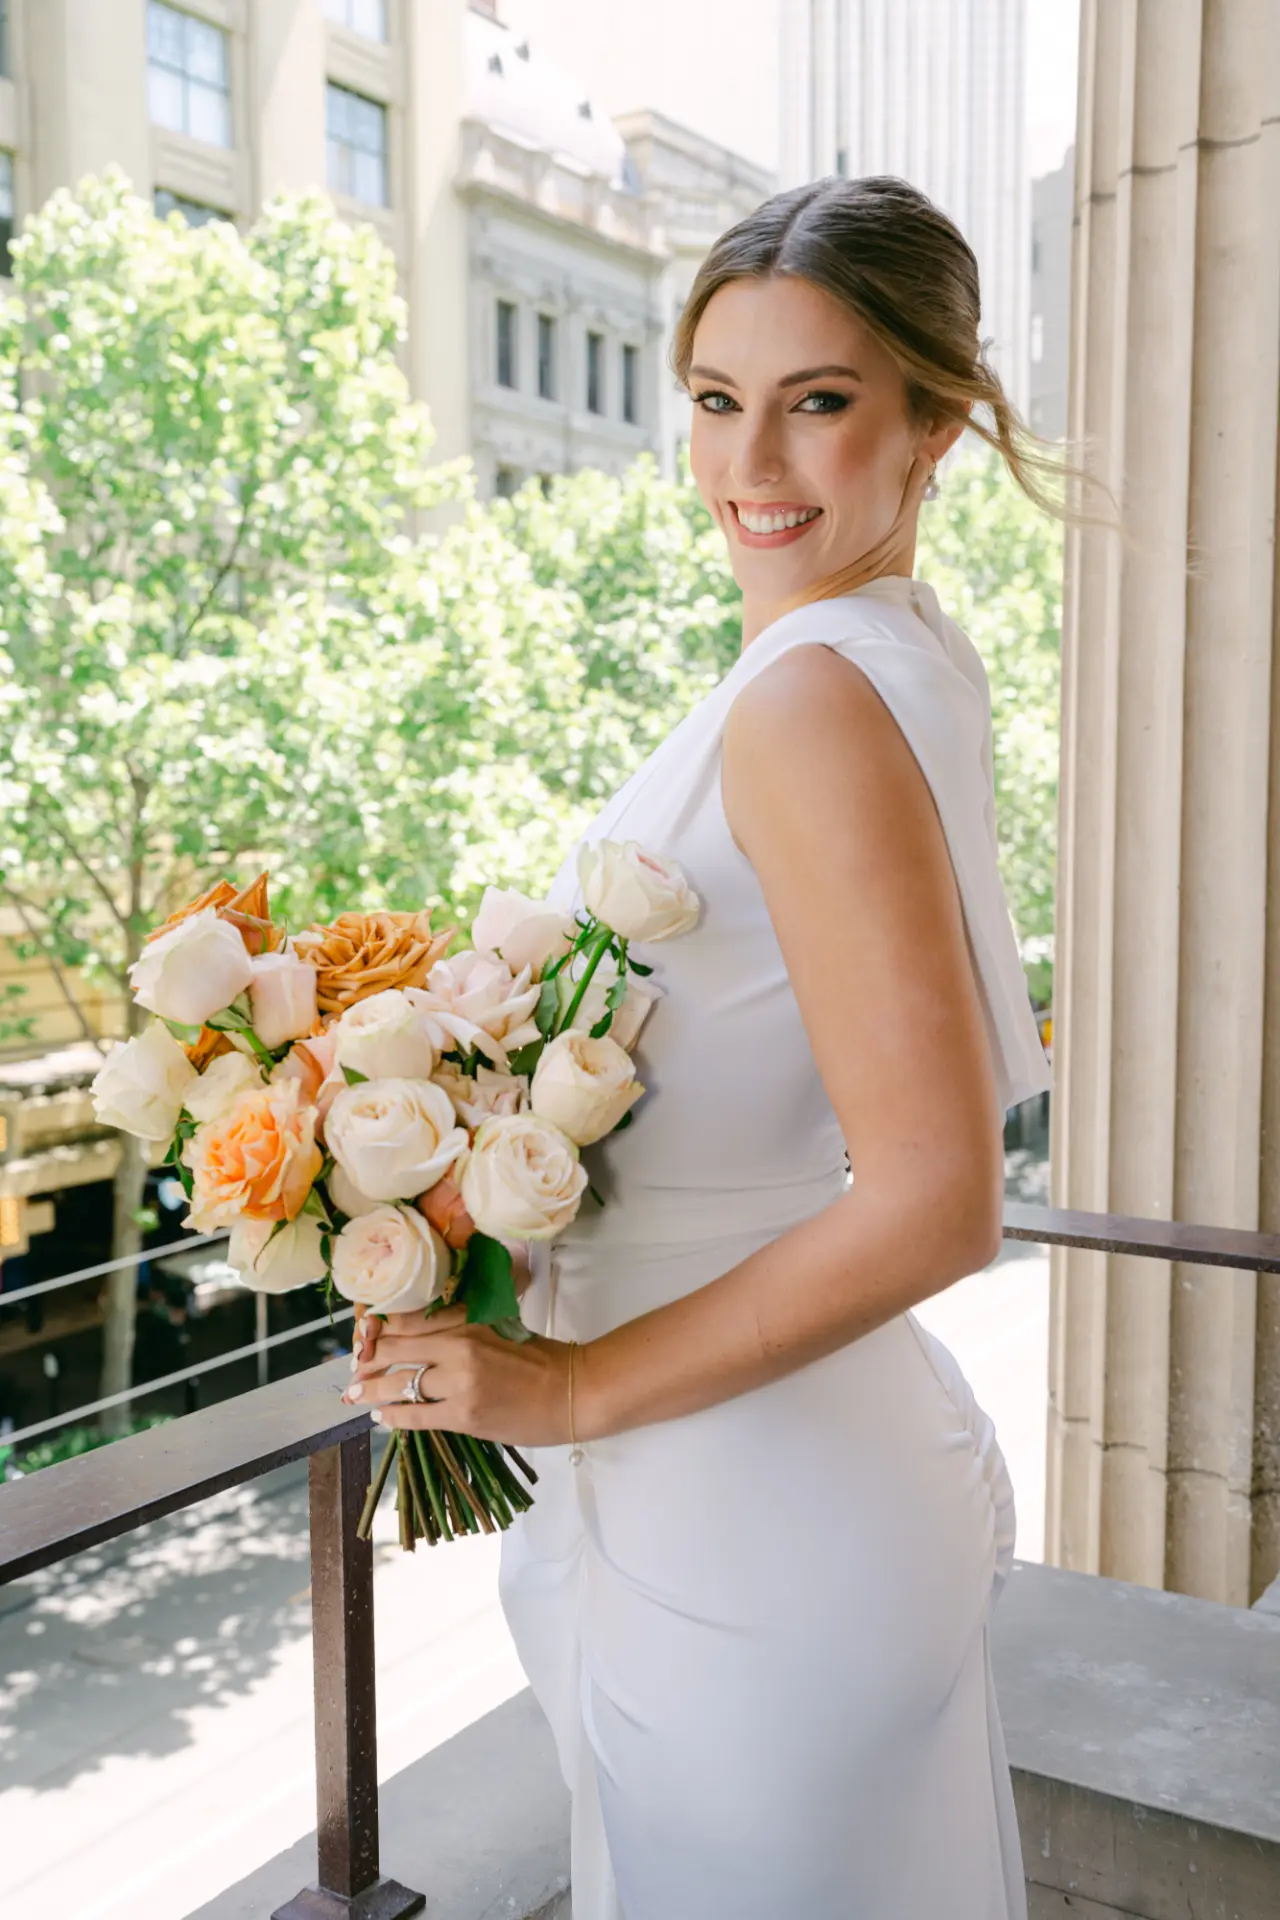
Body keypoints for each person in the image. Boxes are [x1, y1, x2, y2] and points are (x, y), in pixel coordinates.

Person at [347, 175, 1060, 1919]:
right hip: (751, 1484)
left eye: (819, 403)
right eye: (718, 401)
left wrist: (572, 1386)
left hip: (754, 1526)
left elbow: (937, 1202)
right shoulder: (887, 658)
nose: (753, 463)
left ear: (937, 421)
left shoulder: (815, 697)